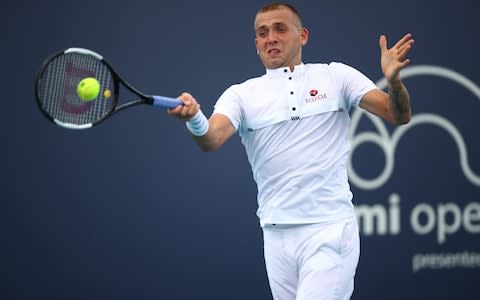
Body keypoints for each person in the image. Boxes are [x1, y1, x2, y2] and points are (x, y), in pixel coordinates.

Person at [168, 3, 413, 299]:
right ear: (256, 43)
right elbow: (211, 139)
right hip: (275, 236)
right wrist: (194, 119)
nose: (271, 37)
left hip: (329, 230)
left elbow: (398, 115)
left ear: (303, 35)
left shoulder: (336, 77)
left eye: (280, 29)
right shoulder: (240, 95)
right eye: (262, 33)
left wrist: (394, 82)